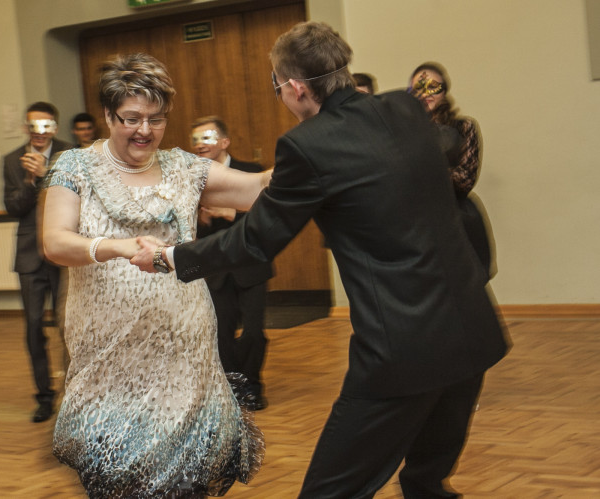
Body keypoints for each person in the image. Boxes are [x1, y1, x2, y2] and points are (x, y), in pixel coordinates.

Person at [132, 21, 510, 498]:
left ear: (295, 88)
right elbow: (447, 144)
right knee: (425, 482)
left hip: (403, 346)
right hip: (472, 326)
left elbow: (253, 242)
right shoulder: (405, 108)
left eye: (276, 86)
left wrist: (168, 257)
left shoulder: (307, 145)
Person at [41, 53, 267, 497]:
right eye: (132, 118)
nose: (145, 130)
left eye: (157, 119)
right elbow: (55, 242)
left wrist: (315, 149)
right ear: (108, 115)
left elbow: (258, 189)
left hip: (185, 352)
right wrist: (115, 247)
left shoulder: (185, 168)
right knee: (118, 479)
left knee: (185, 483)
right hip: (110, 360)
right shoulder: (74, 168)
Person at [191, 116, 273, 411]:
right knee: (221, 334)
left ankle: (253, 385)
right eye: (195, 139)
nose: (200, 144)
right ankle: (235, 386)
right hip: (216, 270)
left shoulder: (250, 172)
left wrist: (231, 213)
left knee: (253, 332)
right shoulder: (193, 180)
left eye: (207, 137)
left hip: (251, 266)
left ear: (224, 142)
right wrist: (199, 221)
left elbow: (268, 216)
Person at [2, 101, 73, 423]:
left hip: (64, 253)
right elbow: (12, 207)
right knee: (33, 327)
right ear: (25, 128)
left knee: (68, 326)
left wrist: (47, 176)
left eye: (46, 126)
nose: (39, 132)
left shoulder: (70, 154)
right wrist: (31, 181)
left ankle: (74, 393)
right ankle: (44, 397)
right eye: (33, 126)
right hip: (30, 256)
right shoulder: (12, 160)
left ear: (54, 128)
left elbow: (80, 197)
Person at [409, 62, 495, 277]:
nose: (426, 93)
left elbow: (465, 179)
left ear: (444, 91)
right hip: (418, 223)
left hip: (458, 220)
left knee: (466, 284)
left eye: (433, 87)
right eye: (419, 87)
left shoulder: (464, 127)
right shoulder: (404, 131)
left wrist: (426, 169)